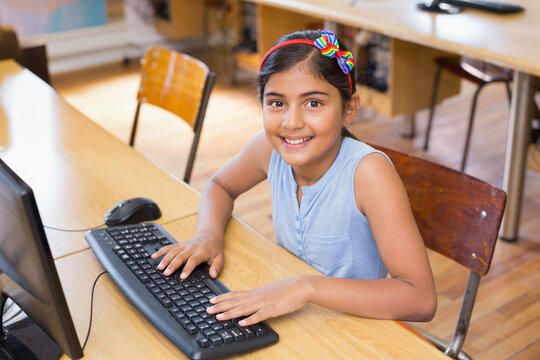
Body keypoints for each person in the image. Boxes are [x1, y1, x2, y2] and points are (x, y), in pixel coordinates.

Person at [152, 30, 437, 327]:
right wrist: (207, 236)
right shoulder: (267, 148)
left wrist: (306, 287)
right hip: (290, 317)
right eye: (277, 103)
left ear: (349, 109)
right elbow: (220, 185)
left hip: (353, 329)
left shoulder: (368, 173)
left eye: (313, 103)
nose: (292, 122)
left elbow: (421, 299)